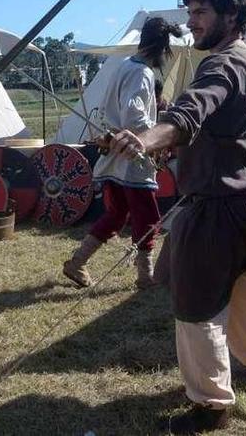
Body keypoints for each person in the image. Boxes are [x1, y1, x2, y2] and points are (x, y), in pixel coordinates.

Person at [109, 0, 246, 433]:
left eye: (201, 12)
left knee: (196, 305)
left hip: (219, 209)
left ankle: (211, 404)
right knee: (245, 290)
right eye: (191, 11)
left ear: (233, 13)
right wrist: (173, 146)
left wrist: (150, 137)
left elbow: (189, 111)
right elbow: (225, 128)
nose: (192, 22)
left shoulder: (222, 65)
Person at [62, 17, 182, 290]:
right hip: (132, 156)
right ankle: (145, 276)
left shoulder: (125, 66)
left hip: (114, 155)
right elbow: (133, 114)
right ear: (162, 46)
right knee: (148, 217)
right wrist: (156, 137)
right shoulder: (142, 72)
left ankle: (77, 262)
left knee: (117, 214)